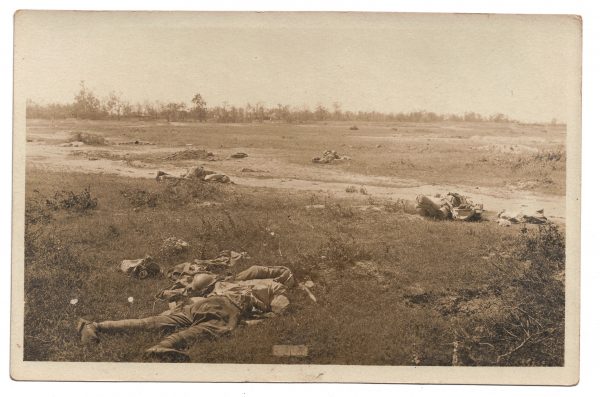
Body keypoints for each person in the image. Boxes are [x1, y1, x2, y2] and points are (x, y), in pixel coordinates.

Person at [77, 266, 293, 361]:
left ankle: (96, 326)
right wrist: (261, 317)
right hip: (225, 307)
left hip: (200, 303)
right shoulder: (275, 287)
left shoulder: (236, 280)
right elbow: (280, 309)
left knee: (153, 322)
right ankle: (163, 346)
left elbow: (254, 270)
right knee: (209, 328)